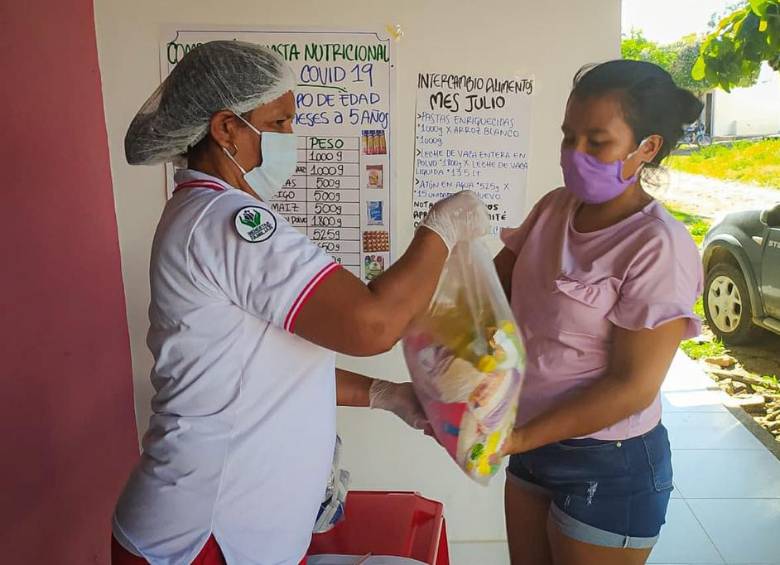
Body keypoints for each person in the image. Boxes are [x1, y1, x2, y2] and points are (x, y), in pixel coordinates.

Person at [112, 41, 489, 565]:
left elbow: (262, 374)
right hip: (202, 538)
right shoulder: (229, 223)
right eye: (281, 122)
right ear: (226, 129)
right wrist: (441, 230)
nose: (292, 137)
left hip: (226, 530)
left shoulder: (208, 214)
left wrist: (385, 395)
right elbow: (371, 325)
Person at [494, 60, 704, 565]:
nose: (575, 154)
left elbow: (632, 387)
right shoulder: (552, 209)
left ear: (646, 148)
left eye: (597, 141)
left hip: (607, 462)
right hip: (530, 444)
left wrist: (518, 435)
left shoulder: (657, 245)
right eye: (568, 137)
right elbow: (489, 299)